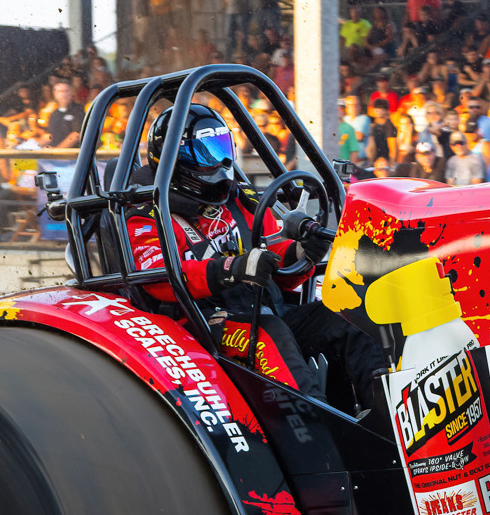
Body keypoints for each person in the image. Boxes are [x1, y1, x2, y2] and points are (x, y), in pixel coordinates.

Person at [124, 104, 386, 412]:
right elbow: (158, 279)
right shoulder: (146, 215)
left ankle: (385, 419)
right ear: (177, 158)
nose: (220, 162)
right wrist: (231, 269)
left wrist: (301, 253)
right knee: (268, 332)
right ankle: (320, 431)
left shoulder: (240, 200)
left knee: (347, 312)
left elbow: (273, 256)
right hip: (200, 327)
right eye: (206, 152)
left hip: (264, 309)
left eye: (221, 147)